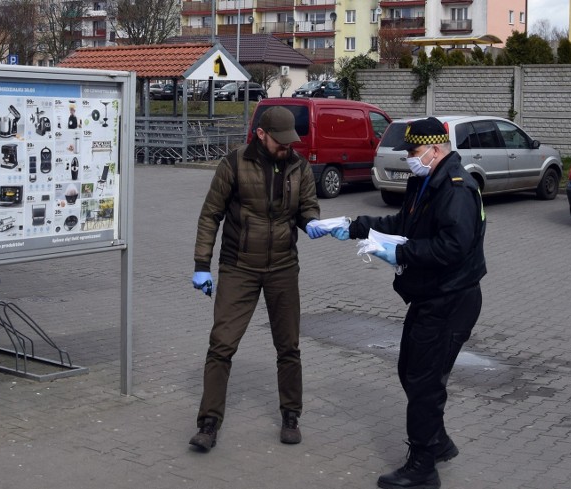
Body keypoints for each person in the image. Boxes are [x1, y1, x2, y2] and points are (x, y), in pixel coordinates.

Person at [330, 117, 486, 489]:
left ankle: (422, 466)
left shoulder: (456, 189)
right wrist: (355, 226)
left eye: (414, 152)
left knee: (423, 380)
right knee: (411, 371)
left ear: (434, 149)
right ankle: (438, 443)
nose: (409, 159)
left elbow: (454, 247)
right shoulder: (425, 179)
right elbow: (404, 221)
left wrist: (399, 253)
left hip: (452, 298)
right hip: (431, 296)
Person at [190, 106, 328, 452]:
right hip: (239, 266)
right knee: (221, 344)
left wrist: (311, 221)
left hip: (283, 267)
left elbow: (308, 204)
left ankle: (291, 416)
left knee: (289, 346)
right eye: (280, 142)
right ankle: (208, 423)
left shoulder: (298, 165)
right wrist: (201, 263)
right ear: (261, 135)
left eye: (290, 142)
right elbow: (211, 214)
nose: (287, 148)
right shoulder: (234, 163)